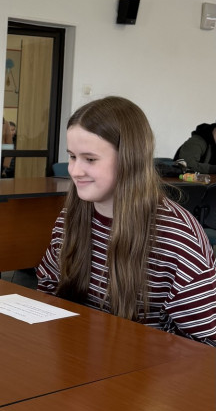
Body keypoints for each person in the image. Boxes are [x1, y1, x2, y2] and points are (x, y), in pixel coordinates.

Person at [37, 96, 216, 346]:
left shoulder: (177, 237)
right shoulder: (71, 216)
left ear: (129, 159)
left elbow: (206, 343)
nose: (75, 171)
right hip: (76, 359)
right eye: (72, 157)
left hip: (144, 376)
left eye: (90, 159)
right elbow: (48, 289)